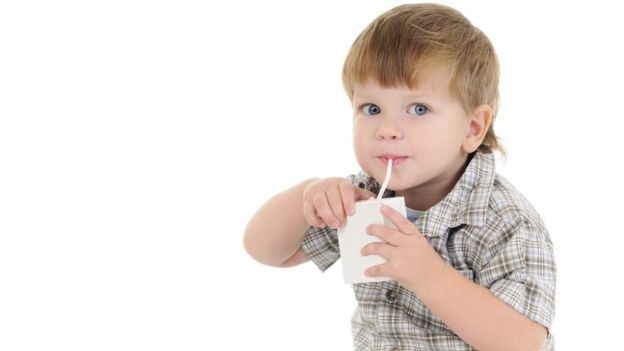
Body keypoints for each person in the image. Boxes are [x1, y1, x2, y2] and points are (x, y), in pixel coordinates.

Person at [243, 3, 556, 350]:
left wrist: (429, 276)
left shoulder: (506, 223)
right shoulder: (363, 198)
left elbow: (524, 342)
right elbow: (266, 251)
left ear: (472, 127)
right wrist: (308, 196)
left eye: (418, 109)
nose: (387, 129)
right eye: (372, 109)